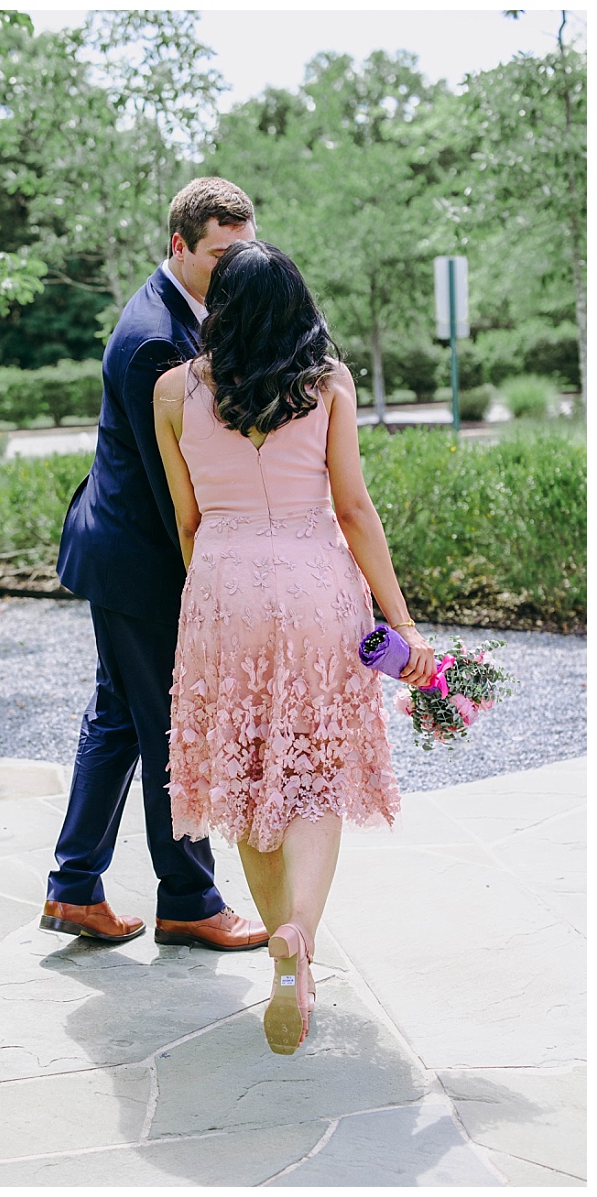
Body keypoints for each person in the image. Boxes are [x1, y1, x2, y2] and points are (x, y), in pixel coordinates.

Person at [152, 239, 434, 1054]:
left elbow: (188, 519)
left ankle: (287, 953)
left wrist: (211, 596)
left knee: (245, 778)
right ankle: (300, 939)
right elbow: (353, 507)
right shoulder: (329, 384)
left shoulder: (175, 391)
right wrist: (401, 620)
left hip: (222, 588)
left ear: (220, 308)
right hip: (317, 587)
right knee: (314, 771)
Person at [45, 178, 268, 952]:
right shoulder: (154, 342)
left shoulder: (200, 312)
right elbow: (182, 484)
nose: (236, 269)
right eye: (220, 256)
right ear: (178, 246)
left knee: (117, 718)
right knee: (172, 725)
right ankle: (188, 899)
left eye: (246, 253)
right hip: (140, 560)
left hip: (121, 549)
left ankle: (74, 888)